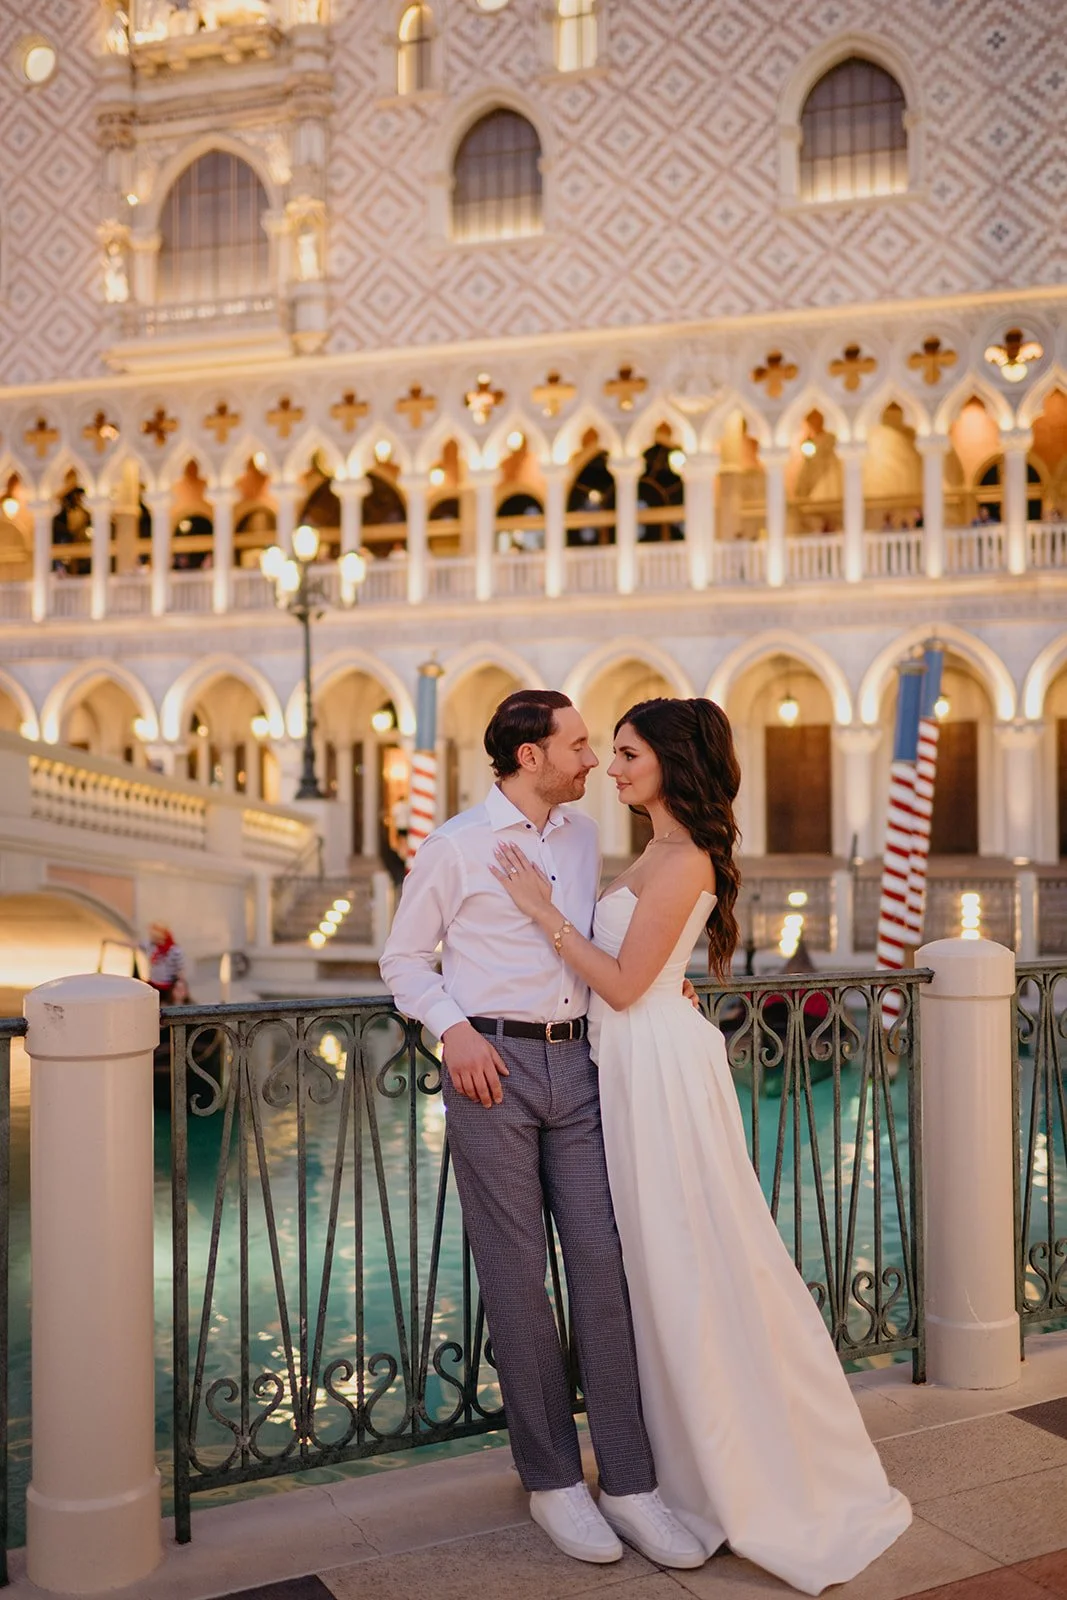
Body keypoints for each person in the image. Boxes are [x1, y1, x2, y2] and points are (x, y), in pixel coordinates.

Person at [490, 697, 912, 1596]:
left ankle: (724, 1470)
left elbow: (622, 984)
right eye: (608, 752)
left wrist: (540, 912)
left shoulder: (683, 859)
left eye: (627, 753)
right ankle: (668, 1462)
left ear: (671, 761)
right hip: (630, 1059)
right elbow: (643, 975)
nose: (610, 767)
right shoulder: (657, 849)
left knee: (684, 1256)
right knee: (652, 1263)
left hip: (656, 1072)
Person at [380, 690, 705, 1571]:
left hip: (583, 1066)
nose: (593, 759)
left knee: (603, 1266)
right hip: (492, 1070)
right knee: (518, 1278)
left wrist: (660, 982)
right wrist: (452, 1030)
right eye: (579, 744)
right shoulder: (453, 846)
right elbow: (403, 959)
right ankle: (553, 1479)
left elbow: (596, 944)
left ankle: (629, 1482)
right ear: (531, 756)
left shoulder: (581, 837)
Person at [146, 922, 185, 1003]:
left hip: (168, 985)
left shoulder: (174, 950)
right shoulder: (151, 946)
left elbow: (180, 969)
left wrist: (180, 983)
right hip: (154, 983)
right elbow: (136, 944)